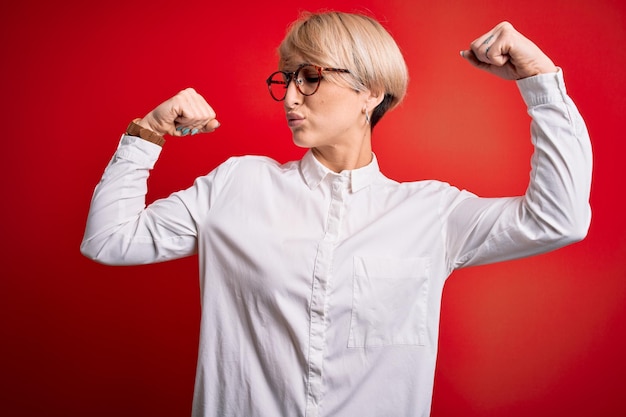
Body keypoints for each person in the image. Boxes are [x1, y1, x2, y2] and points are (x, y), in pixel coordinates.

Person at [80, 11, 592, 417]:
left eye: (310, 78)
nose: (291, 98)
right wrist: (148, 131)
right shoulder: (237, 185)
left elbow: (559, 219)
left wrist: (539, 79)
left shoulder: (432, 215)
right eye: (288, 79)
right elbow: (109, 240)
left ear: (371, 91)